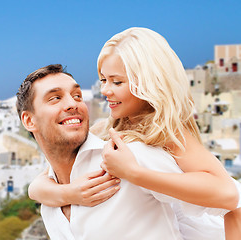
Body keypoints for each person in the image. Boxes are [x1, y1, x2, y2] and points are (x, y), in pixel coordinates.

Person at [27, 27, 241, 239]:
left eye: (117, 82)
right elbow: (41, 182)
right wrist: (69, 194)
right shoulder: (107, 130)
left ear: (148, 82)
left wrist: (133, 173)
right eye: (103, 80)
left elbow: (232, 198)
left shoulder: (167, 132)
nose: (105, 90)